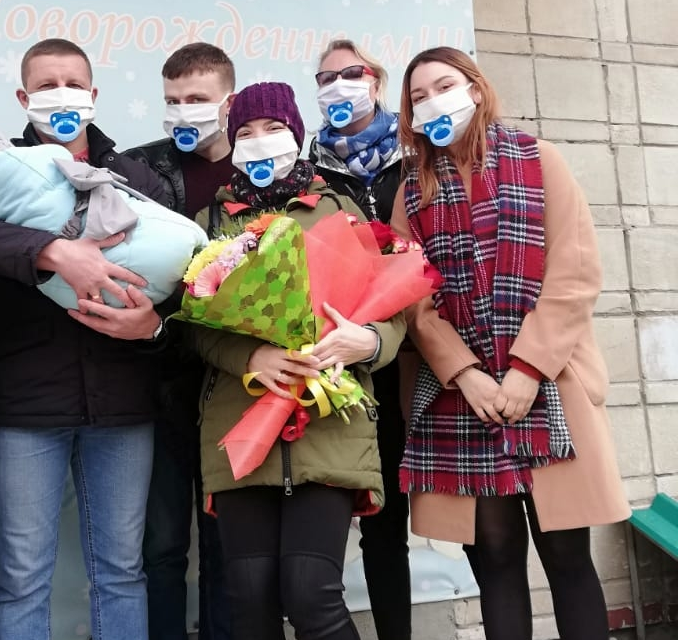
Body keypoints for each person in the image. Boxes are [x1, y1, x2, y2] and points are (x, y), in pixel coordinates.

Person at [390, 46, 630, 640]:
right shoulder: (409, 191)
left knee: (568, 559)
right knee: (495, 563)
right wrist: (467, 373)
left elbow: (574, 275)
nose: (431, 102)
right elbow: (411, 302)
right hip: (461, 401)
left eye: (442, 86)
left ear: (474, 88)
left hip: (548, 391)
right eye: (417, 96)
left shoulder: (539, 159)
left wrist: (526, 369)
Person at [0, 38, 166, 640]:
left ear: (93, 96)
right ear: (22, 97)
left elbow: (187, 281)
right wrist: (50, 251)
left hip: (124, 403)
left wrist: (155, 327)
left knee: (121, 572)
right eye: (45, 84)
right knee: (22, 577)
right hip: (25, 406)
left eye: (72, 83)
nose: (60, 94)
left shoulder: (138, 176)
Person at [190, 82, 406, 640]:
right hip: (240, 426)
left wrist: (370, 341)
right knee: (250, 598)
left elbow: (396, 304)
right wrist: (250, 353)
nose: (260, 142)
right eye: (245, 133)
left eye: (274, 130)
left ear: (298, 135)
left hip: (328, 422)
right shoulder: (209, 223)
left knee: (313, 595)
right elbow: (189, 324)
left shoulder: (339, 207)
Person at [124, 42, 236, 640]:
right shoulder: (138, 170)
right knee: (162, 546)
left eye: (197, 99)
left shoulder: (258, 172)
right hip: (160, 384)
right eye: (172, 101)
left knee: (226, 551)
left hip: (234, 389)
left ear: (228, 102)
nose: (183, 111)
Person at [307, 39, 412, 640]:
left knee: (476, 514)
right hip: (353, 367)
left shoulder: (416, 151)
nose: (338, 84)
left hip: (423, 359)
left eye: (351, 73)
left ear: (375, 80)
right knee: (381, 525)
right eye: (325, 77)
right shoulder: (311, 166)